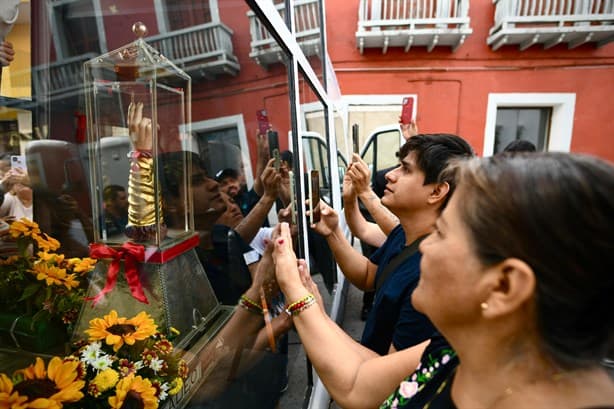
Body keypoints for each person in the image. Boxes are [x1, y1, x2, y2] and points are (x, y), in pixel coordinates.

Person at [272, 152, 614, 408]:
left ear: (505, 287)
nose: (426, 247)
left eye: (441, 232)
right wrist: (306, 301)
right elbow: (358, 382)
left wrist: (297, 294)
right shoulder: (454, 349)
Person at [313, 134, 474, 357]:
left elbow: (384, 375)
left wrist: (310, 312)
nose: (389, 175)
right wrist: (332, 233)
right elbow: (370, 276)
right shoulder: (405, 233)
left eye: (406, 169)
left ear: (436, 192)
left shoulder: (434, 276)